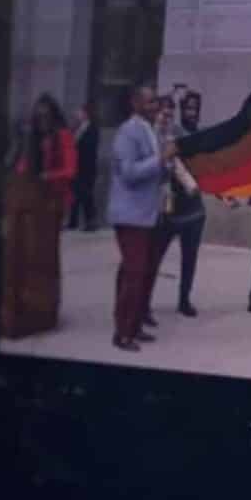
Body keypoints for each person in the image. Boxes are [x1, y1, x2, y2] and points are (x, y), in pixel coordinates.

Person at [0, 94, 76, 340]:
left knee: (44, 260)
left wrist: (47, 177)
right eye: (38, 116)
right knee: (24, 259)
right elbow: (23, 166)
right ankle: (24, 311)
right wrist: (18, 175)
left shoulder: (63, 136)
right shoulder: (31, 136)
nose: (42, 120)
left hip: (50, 207)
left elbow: (70, 169)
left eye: (46, 116)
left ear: (53, 115)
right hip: (28, 206)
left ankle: (45, 311)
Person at [107, 86, 166, 350]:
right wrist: (160, 160)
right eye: (150, 102)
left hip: (147, 214)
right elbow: (129, 173)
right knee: (135, 273)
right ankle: (122, 333)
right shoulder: (127, 132)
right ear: (135, 103)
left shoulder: (150, 130)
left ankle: (134, 324)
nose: (155, 106)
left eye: (156, 101)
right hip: (131, 216)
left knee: (138, 272)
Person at [158, 86, 207, 316]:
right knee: (155, 257)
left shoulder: (202, 135)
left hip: (194, 210)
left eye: (195, 109)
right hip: (171, 208)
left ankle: (184, 300)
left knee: (189, 259)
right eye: (188, 108)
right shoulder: (174, 134)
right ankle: (143, 302)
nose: (192, 113)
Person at [69, 103, 100, 231]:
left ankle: (91, 221)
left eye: (79, 113)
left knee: (86, 194)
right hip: (77, 167)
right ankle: (73, 221)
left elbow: (89, 148)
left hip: (87, 167)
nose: (77, 115)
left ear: (85, 114)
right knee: (75, 194)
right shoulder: (77, 129)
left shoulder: (92, 129)